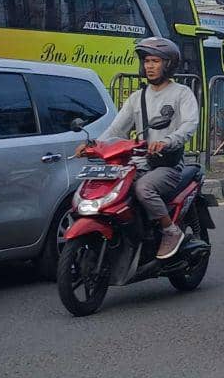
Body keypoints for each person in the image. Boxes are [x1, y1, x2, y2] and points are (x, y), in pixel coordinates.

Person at [82, 37, 200, 260]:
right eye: (147, 61)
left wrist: (167, 141)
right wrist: (94, 145)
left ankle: (170, 230)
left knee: (143, 188)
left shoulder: (181, 93)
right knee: (107, 190)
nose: (150, 66)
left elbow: (189, 125)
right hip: (136, 163)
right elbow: (116, 129)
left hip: (167, 165)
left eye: (155, 61)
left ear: (168, 64)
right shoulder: (137, 97)